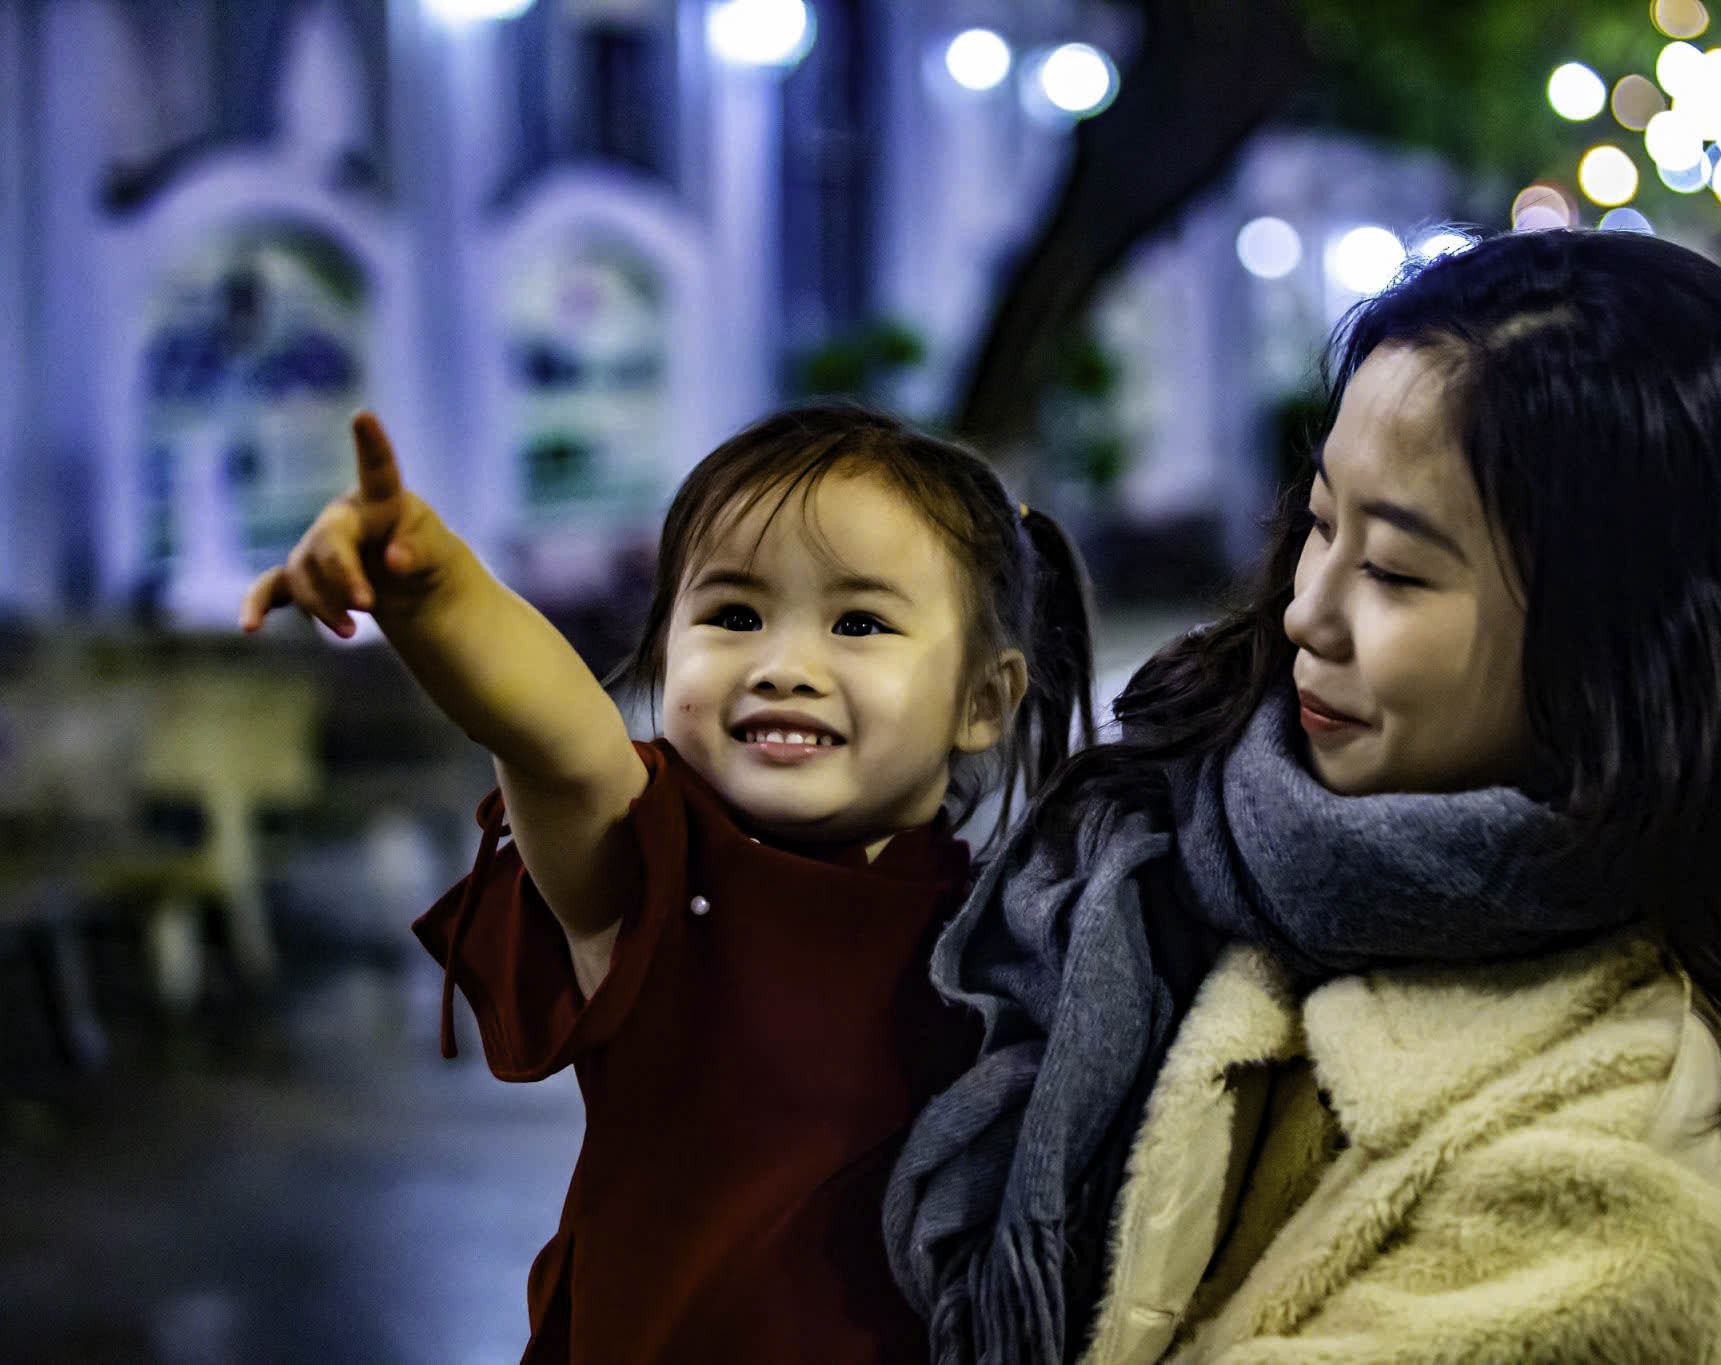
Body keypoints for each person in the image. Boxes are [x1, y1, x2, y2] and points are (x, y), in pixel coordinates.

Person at [887, 230, 1721, 1364]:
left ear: (1620, 647)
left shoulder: (1613, 1196)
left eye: (1394, 570)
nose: (1307, 612)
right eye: (1319, 522)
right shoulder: (1183, 837)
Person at [241, 402, 1097, 1363]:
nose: (783, 666)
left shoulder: (1020, 930)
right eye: (733, 614)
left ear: (982, 701)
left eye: (858, 621)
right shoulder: (656, 867)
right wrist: (433, 593)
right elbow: (555, 735)